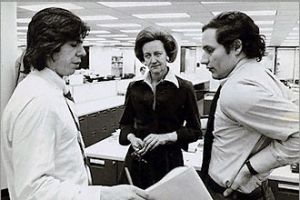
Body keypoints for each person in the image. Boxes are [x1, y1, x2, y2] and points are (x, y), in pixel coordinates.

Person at [1, 7, 152, 200]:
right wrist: (103, 195)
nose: (82, 52)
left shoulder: (52, 92)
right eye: (73, 45)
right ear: (48, 47)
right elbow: (33, 191)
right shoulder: (39, 101)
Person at [199, 11, 299, 200]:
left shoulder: (237, 89)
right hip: (250, 190)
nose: (203, 59)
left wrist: (250, 168)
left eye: (210, 50)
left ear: (237, 46)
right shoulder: (261, 74)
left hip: (231, 193)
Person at [118, 26, 202, 189]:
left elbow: (195, 131)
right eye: (147, 56)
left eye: (157, 54)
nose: (152, 60)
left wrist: (165, 137)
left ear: (168, 55)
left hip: (168, 163)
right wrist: (132, 138)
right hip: (137, 161)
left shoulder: (184, 88)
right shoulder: (134, 87)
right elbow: (125, 124)